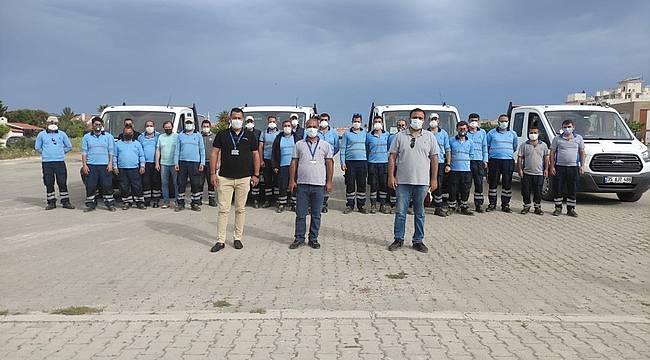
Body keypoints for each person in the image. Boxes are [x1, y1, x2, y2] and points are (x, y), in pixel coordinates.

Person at [387, 108, 439, 253]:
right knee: (401, 212)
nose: (417, 120)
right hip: (402, 182)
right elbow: (392, 157)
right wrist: (391, 176)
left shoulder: (429, 137)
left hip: (422, 182)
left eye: (420, 118)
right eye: (415, 117)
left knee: (420, 213)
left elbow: (434, 158)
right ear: (410, 119)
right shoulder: (399, 136)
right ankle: (398, 239)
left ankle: (418, 240)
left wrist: (434, 179)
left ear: (424, 120)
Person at [210, 108, 261, 252]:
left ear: (243, 119)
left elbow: (256, 155)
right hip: (225, 177)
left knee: (240, 209)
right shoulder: (222, 134)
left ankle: (237, 238)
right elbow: (214, 153)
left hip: (244, 178)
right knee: (223, 210)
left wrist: (256, 174)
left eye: (239, 117)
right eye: (234, 117)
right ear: (230, 119)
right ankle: (220, 240)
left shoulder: (250, 136)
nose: (237, 120)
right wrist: (213, 173)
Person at [288, 118, 334, 249]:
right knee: (300, 214)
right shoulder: (299, 144)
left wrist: (329, 182)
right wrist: (292, 180)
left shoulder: (325, 145)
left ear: (318, 128)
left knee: (316, 214)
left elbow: (330, 164)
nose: (312, 129)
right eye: (309, 126)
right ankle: (299, 238)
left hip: (319, 185)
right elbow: (294, 162)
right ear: (306, 128)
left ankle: (313, 238)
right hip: (302, 184)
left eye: (314, 126)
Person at [35, 116, 74, 210]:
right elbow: (38, 147)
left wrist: (60, 152)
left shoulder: (62, 134)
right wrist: (46, 153)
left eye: (54, 123)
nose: (52, 125)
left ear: (57, 124)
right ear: (47, 124)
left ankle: (65, 202)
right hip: (47, 162)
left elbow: (69, 146)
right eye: (50, 123)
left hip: (59, 161)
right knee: (49, 182)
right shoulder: (41, 135)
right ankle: (51, 202)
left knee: (62, 182)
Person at [549, 119, 585, 217]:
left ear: (573, 127)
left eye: (569, 127)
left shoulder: (579, 138)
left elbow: (582, 152)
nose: (567, 129)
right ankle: (558, 208)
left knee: (572, 188)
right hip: (560, 167)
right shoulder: (557, 139)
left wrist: (582, 165)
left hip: (573, 167)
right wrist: (552, 166)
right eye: (565, 127)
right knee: (558, 188)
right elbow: (552, 152)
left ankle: (571, 209)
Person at [81, 116, 116, 212]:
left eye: (100, 125)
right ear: (92, 125)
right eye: (96, 124)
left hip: (105, 166)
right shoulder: (86, 137)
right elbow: (84, 152)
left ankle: (110, 204)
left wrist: (110, 164)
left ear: (102, 126)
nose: (98, 126)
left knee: (107, 186)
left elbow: (111, 151)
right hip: (91, 165)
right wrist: (84, 165)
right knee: (91, 186)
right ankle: (91, 204)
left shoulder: (108, 137)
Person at [486, 114, 518, 213]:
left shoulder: (513, 134)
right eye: (502, 121)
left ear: (508, 122)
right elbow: (487, 146)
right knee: (493, 183)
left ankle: (505, 204)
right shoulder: (491, 133)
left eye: (505, 121)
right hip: (494, 160)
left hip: (507, 161)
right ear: (498, 122)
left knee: (507, 183)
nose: (504, 123)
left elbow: (514, 146)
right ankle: (492, 204)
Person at [174, 116, 205, 212]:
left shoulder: (198, 135)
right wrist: (176, 162)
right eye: (187, 123)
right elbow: (177, 150)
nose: (188, 125)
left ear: (193, 125)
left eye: (190, 123)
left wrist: (202, 162)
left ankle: (195, 203)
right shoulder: (180, 135)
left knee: (195, 183)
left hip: (195, 163)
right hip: (182, 162)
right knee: (181, 183)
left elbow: (202, 149)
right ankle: (180, 203)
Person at [517, 124, 550, 215]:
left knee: (538, 191)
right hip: (527, 172)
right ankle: (526, 206)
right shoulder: (524, 145)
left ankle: (537, 207)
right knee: (525, 191)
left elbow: (546, 157)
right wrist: (519, 169)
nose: (533, 134)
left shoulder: (543, 145)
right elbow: (520, 158)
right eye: (531, 132)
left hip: (539, 173)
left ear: (538, 134)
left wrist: (546, 169)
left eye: (535, 133)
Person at [340, 113, 368, 214]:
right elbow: (342, 149)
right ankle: (350, 205)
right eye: (355, 121)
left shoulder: (365, 133)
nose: (357, 123)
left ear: (361, 122)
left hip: (362, 162)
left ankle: (361, 205)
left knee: (362, 184)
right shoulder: (347, 134)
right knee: (350, 184)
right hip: (350, 163)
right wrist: (343, 162)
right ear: (352, 122)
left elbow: (368, 148)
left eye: (358, 121)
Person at [113, 126, 146, 210]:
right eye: (126, 132)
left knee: (137, 186)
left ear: (133, 134)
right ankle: (127, 202)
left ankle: (140, 202)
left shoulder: (137, 144)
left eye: (130, 132)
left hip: (135, 168)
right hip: (122, 169)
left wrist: (142, 166)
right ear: (123, 133)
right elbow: (115, 156)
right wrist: (115, 167)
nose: (128, 134)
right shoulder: (118, 144)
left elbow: (141, 156)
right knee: (124, 186)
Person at [272, 119, 301, 212]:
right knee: (282, 185)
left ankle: (294, 204)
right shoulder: (278, 138)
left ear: (292, 127)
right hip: (282, 165)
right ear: (282, 127)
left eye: (289, 126)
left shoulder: (296, 138)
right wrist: (275, 166)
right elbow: (274, 153)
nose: (287, 128)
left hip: (294, 165)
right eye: (285, 126)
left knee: (295, 184)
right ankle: (282, 203)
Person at [446, 121, 474, 215]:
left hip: (466, 170)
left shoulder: (470, 142)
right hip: (454, 169)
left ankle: (463, 207)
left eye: (464, 129)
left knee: (465, 189)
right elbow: (448, 153)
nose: (462, 130)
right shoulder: (451, 140)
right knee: (453, 189)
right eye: (460, 128)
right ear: (457, 129)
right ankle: (452, 207)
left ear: (467, 129)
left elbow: (471, 155)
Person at [427, 113, 451, 217]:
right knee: (424, 184)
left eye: (435, 119)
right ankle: (420, 206)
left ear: (438, 121)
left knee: (439, 185)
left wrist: (448, 163)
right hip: (426, 163)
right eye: (432, 119)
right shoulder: (424, 133)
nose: (434, 120)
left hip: (440, 163)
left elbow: (447, 149)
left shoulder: (444, 133)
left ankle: (438, 207)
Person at [315, 113, 340, 213]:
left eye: (325, 119)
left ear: (328, 121)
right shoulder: (315, 132)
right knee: (318, 180)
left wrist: (331, 155)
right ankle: (316, 202)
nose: (323, 121)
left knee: (327, 181)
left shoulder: (333, 133)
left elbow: (337, 146)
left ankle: (324, 203)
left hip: (329, 161)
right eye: (322, 120)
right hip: (317, 161)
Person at [366, 115, 390, 214]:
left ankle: (383, 205)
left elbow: (389, 147)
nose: (377, 123)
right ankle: (373, 205)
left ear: (382, 123)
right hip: (372, 163)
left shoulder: (387, 135)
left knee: (383, 185)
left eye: (379, 121)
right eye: (375, 121)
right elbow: (366, 148)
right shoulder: (368, 136)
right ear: (373, 123)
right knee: (373, 185)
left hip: (384, 163)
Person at [467, 113, 488, 213]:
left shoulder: (482, 133)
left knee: (479, 183)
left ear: (479, 121)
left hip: (479, 161)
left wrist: (485, 160)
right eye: (471, 120)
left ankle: (478, 204)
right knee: (466, 184)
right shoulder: (465, 132)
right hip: (467, 161)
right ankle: (463, 204)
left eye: (475, 120)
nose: (473, 122)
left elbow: (485, 147)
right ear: (468, 121)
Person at [138, 120, 161, 207]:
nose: (149, 127)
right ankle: (147, 200)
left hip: (156, 163)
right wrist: (141, 164)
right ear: (145, 127)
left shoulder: (159, 136)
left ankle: (156, 201)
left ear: (154, 126)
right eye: (147, 125)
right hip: (145, 163)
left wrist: (157, 163)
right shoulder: (141, 137)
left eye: (151, 125)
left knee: (156, 182)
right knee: (145, 182)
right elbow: (139, 151)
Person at [155, 120, 178, 209]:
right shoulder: (161, 137)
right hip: (164, 163)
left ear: (172, 127)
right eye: (166, 127)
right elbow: (158, 150)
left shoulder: (177, 136)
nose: (168, 128)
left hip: (174, 163)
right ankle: (166, 202)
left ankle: (177, 201)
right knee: (164, 183)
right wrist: (157, 162)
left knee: (176, 183)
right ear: (164, 128)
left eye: (169, 127)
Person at [258, 115, 280, 208]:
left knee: (277, 181)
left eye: (273, 121)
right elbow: (260, 147)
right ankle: (267, 200)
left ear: (276, 123)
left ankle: (276, 200)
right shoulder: (264, 133)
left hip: (276, 161)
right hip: (266, 160)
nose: (272, 123)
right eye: (270, 121)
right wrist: (261, 160)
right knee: (267, 181)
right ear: (268, 122)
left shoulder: (280, 133)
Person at [386, 119, 407, 212]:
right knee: (394, 185)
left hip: (405, 165)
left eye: (403, 125)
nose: (401, 127)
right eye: (399, 125)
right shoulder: (391, 137)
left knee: (406, 186)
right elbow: (390, 152)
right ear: (396, 126)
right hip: (395, 165)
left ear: (406, 126)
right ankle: (393, 205)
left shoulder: (408, 137)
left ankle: (407, 206)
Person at [246, 115, 263, 207]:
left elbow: (260, 147)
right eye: (248, 121)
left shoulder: (258, 133)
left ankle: (255, 200)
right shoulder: (242, 132)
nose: (249, 123)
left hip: (255, 160)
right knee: (244, 179)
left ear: (253, 122)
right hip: (244, 160)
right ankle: (245, 199)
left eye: (250, 121)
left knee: (255, 179)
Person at [200, 119, 217, 207]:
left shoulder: (214, 136)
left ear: (210, 127)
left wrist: (218, 162)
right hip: (201, 163)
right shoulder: (199, 136)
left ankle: (212, 199)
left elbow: (219, 150)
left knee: (211, 182)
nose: (205, 128)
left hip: (211, 163)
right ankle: (198, 199)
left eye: (207, 126)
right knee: (200, 182)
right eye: (204, 126)